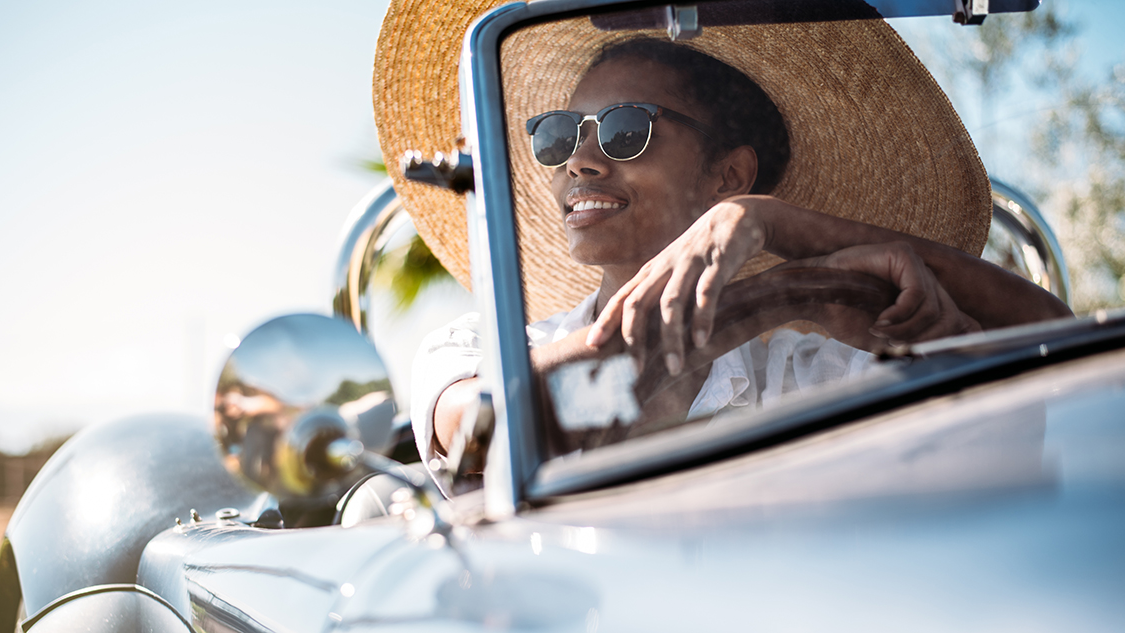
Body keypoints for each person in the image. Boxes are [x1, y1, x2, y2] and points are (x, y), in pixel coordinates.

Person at [373, 10, 1073, 467]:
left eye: (624, 129)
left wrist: (771, 224)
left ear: (729, 175)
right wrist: (778, 295)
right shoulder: (482, 348)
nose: (579, 161)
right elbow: (492, 435)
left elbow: (1056, 349)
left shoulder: (809, 374)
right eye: (558, 136)